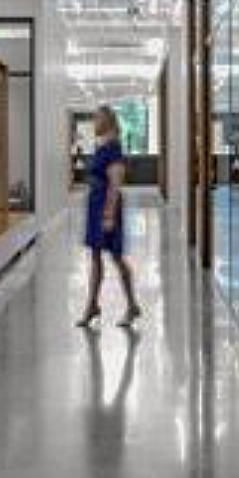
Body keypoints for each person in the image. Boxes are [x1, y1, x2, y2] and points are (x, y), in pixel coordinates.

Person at [78, 105, 141, 329]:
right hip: (96, 205)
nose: (94, 123)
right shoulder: (102, 145)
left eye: (97, 119)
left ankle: (132, 305)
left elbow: (115, 182)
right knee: (96, 257)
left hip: (106, 207)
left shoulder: (113, 148)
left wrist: (109, 214)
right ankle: (92, 305)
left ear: (107, 121)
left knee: (116, 257)